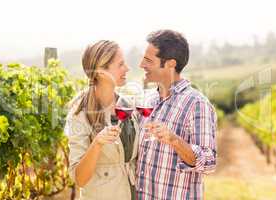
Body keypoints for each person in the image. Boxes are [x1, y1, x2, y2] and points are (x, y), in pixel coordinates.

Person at [136, 30, 217, 200]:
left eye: (148, 60)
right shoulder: (147, 100)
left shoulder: (196, 103)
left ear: (171, 64)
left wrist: (174, 140)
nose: (141, 64)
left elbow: (209, 163)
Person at [65, 40, 138, 200]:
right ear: (100, 71)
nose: (127, 68)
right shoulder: (80, 115)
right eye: (120, 64)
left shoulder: (126, 105)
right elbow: (80, 179)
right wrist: (97, 143)